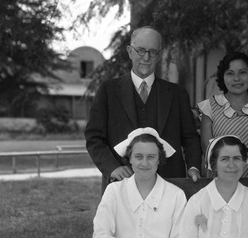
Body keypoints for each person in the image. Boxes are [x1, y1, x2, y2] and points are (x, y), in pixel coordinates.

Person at [85, 26, 202, 192]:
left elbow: (190, 138)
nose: (146, 57)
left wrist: (193, 167)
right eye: (140, 50)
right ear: (129, 51)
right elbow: (94, 137)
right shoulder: (108, 90)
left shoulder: (178, 94)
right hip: (121, 185)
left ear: (159, 55)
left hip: (170, 185)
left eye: (152, 52)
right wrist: (112, 168)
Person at [198, 52, 248, 177]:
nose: (236, 78)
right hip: (219, 177)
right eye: (230, 73)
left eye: (242, 72)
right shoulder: (210, 106)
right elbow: (206, 147)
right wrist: (224, 179)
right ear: (222, 77)